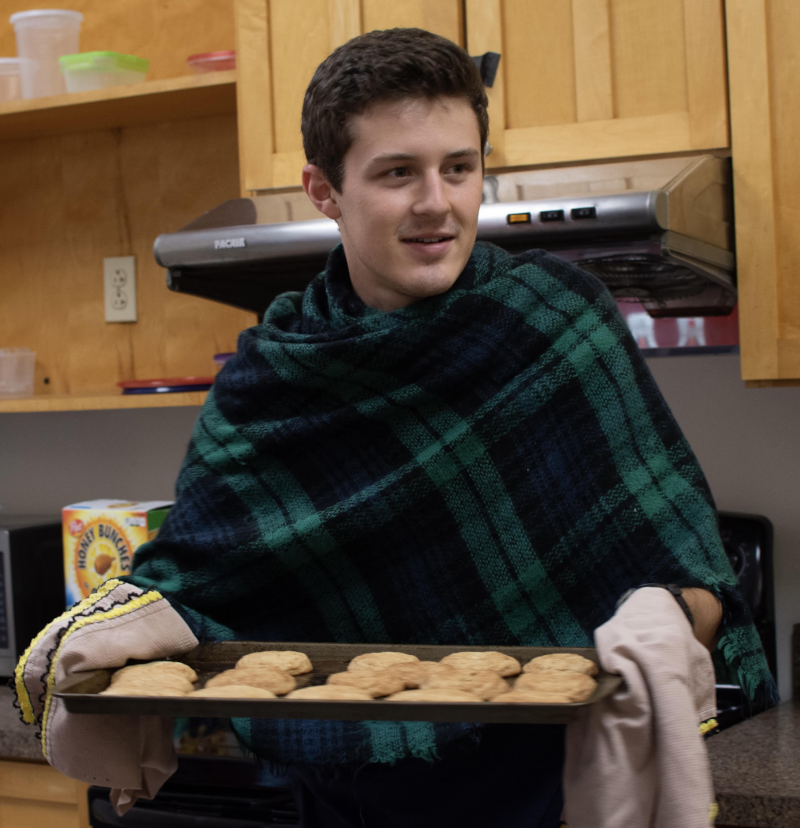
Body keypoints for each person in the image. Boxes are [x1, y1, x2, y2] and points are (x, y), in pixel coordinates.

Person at [15, 27, 774, 828]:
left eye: (460, 167)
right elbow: (197, 587)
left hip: (552, 789)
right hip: (350, 798)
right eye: (397, 173)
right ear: (324, 191)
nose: (436, 204)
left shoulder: (556, 325)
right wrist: (122, 624)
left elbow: (696, 577)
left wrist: (663, 619)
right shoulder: (274, 377)